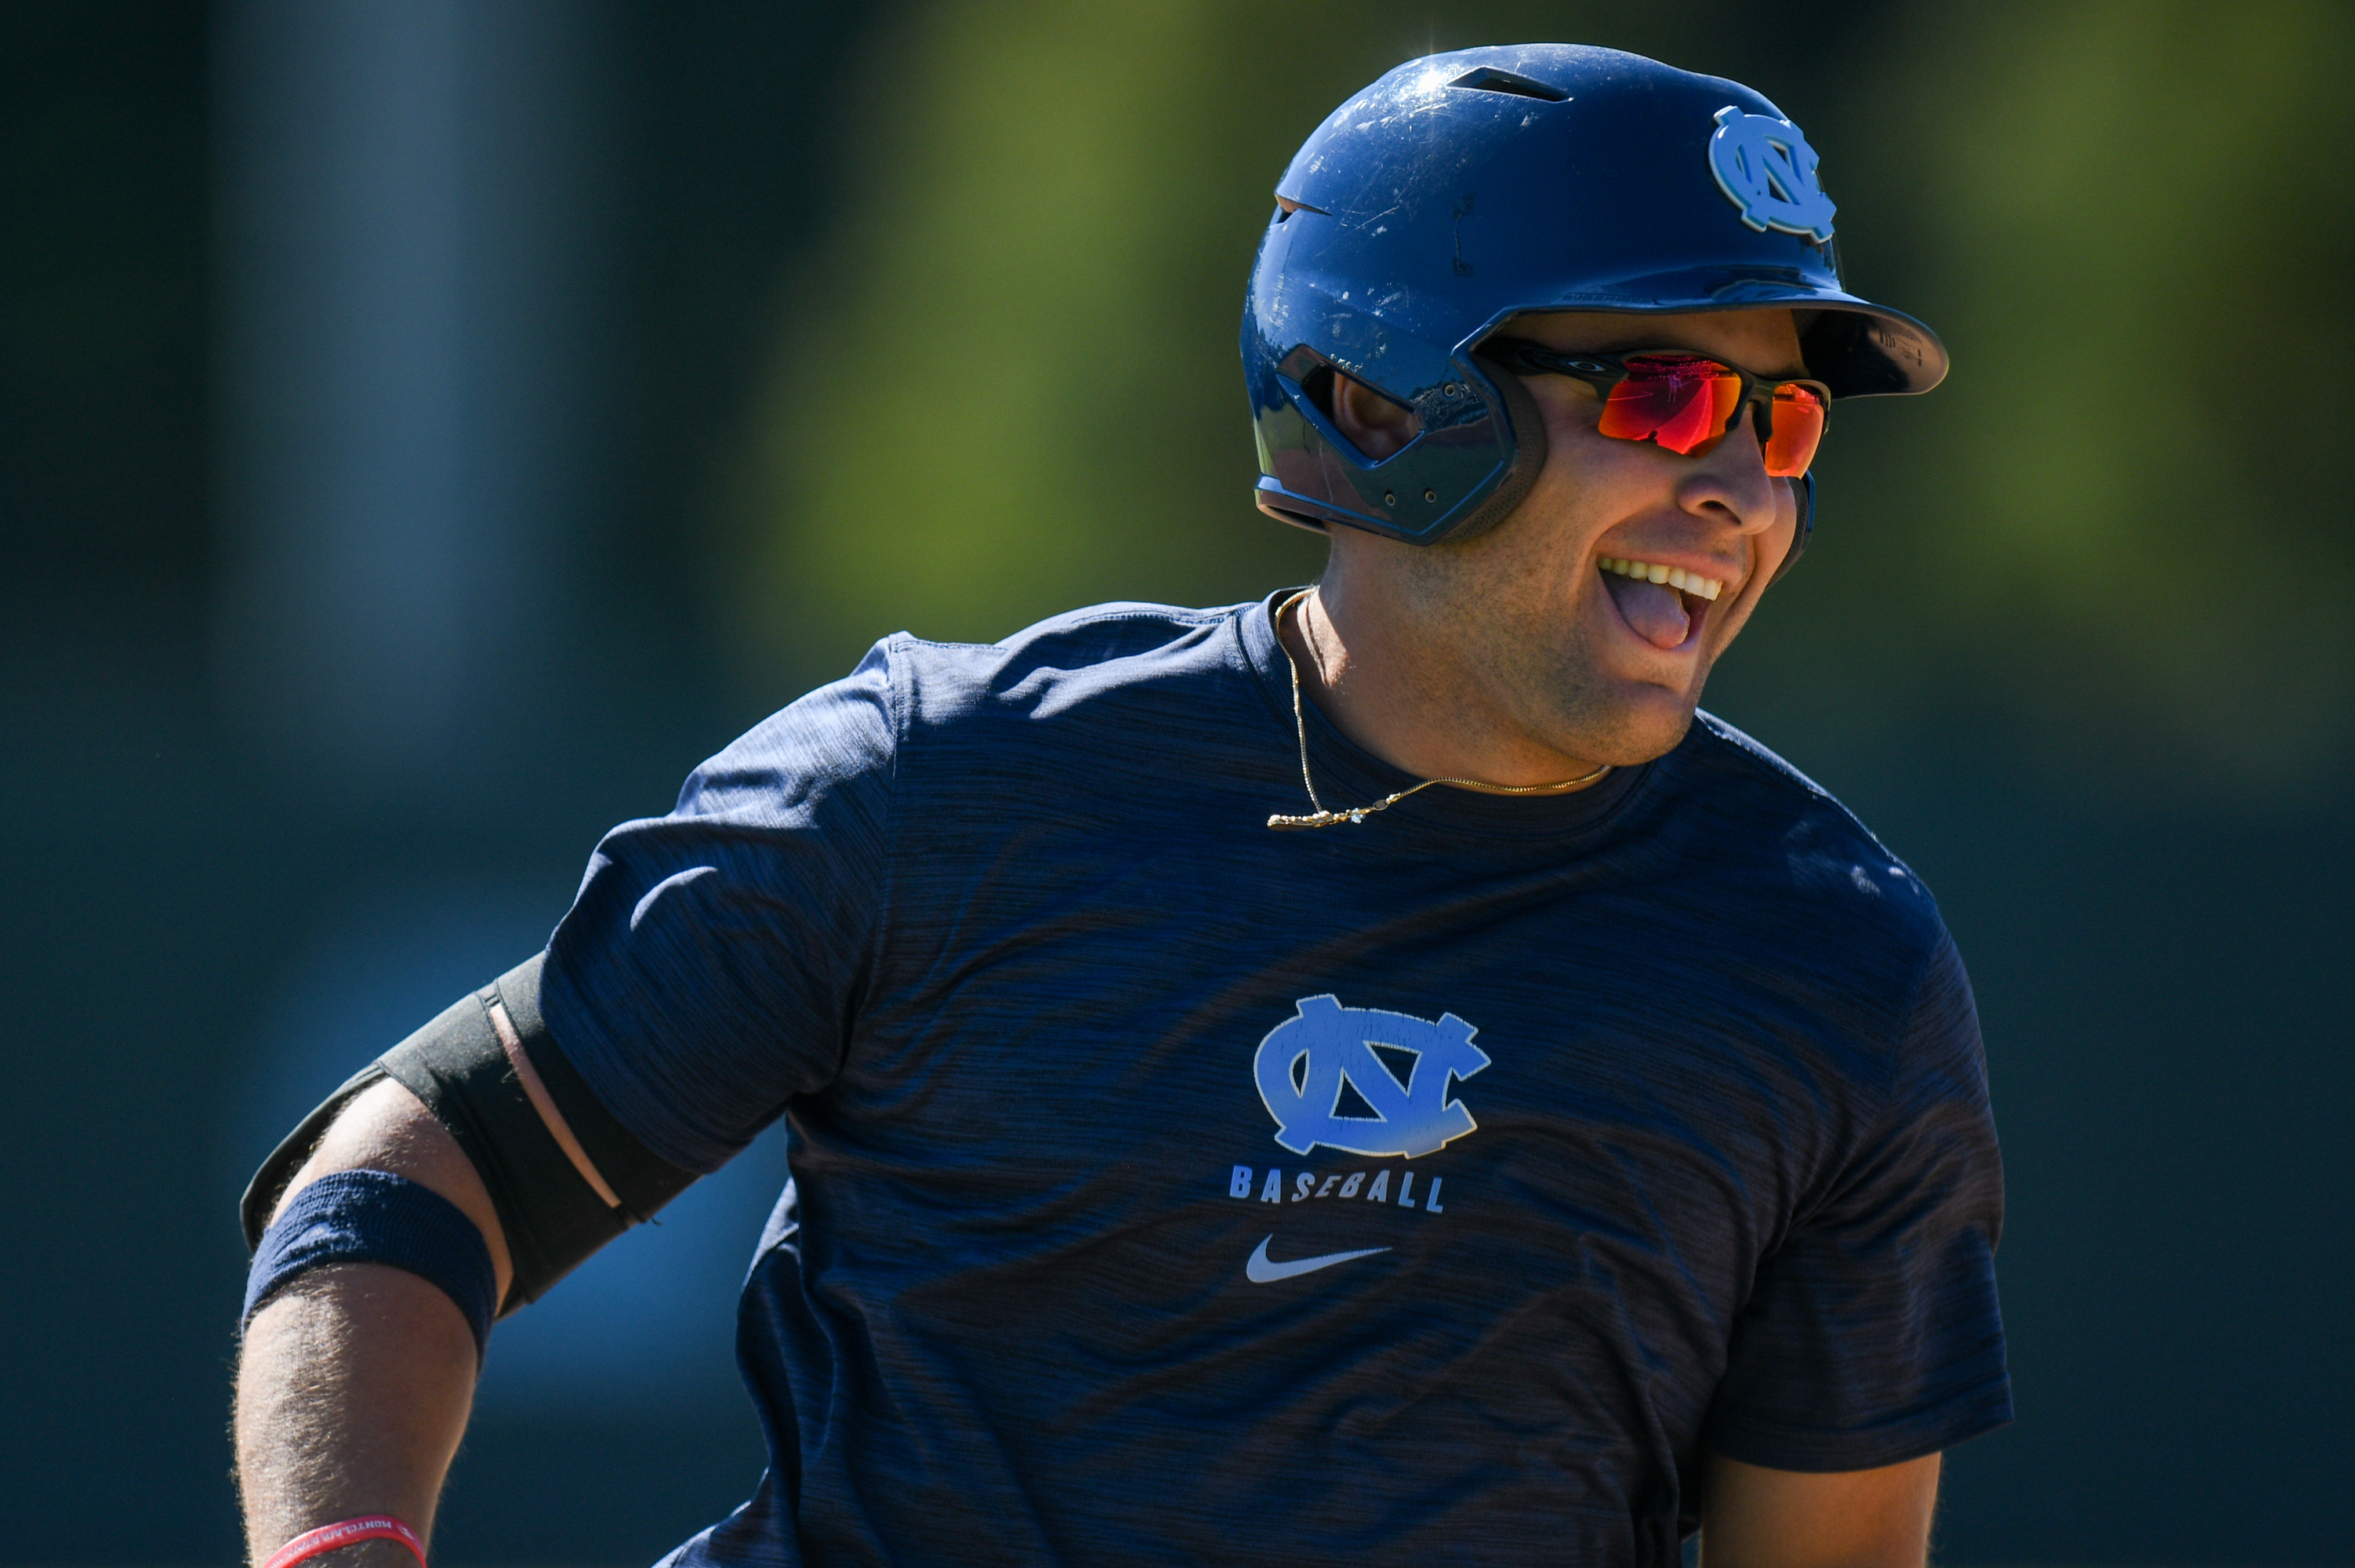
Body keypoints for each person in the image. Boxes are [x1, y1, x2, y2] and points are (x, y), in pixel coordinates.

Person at [234, 43, 2008, 1568]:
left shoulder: (1832, 964)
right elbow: (411, 1177)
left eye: (1784, 427)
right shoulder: (941, 783)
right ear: (1386, 399)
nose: (1741, 491)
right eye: (1668, 397)